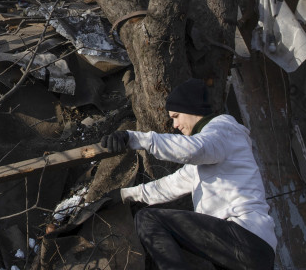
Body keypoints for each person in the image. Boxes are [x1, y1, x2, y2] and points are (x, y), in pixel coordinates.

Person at [100, 79, 277, 270]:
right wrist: (124, 195)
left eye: (176, 116)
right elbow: (169, 186)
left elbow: (194, 149)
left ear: (192, 110)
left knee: (148, 219)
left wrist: (134, 137)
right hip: (250, 250)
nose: (175, 125)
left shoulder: (223, 129)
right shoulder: (209, 156)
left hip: (243, 234)